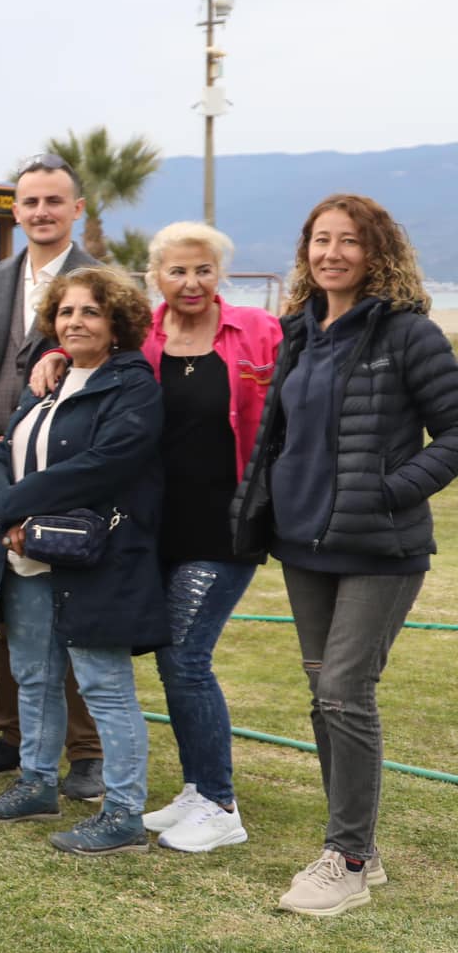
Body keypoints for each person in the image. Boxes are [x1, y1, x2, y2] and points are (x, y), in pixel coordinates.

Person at [230, 195, 458, 916]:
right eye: (320, 240)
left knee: (344, 693)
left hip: (379, 546)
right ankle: (361, 848)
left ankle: (348, 860)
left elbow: (454, 433)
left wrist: (392, 490)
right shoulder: (301, 332)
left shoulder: (409, 333)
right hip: (304, 543)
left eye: (348, 241)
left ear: (376, 251)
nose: (332, 253)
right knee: (324, 698)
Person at [28, 222, 282, 853]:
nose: (190, 282)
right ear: (156, 278)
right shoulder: (143, 341)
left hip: (225, 526)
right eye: (177, 271)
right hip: (156, 527)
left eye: (202, 270)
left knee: (187, 659)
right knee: (173, 660)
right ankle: (197, 789)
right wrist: (52, 355)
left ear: (219, 273)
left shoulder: (259, 331)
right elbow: (92, 362)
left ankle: (221, 804)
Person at [0, 266, 165, 855]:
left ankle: (125, 813)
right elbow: (9, 448)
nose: (75, 321)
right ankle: (35, 782)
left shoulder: (134, 385)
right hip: (27, 553)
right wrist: (7, 510)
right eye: (65, 312)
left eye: (90, 311)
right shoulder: (51, 380)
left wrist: (10, 504)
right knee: (34, 675)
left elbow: (101, 466)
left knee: (105, 685)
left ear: (117, 323)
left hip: (97, 558)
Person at [0, 154, 105, 795]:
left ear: (76, 209)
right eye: (30, 202)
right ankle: (12, 735)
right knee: (5, 608)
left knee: (73, 613)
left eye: (54, 202)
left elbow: (119, 364)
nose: (41, 212)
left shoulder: (101, 281)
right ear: (16, 209)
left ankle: (86, 751)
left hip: (68, 482)